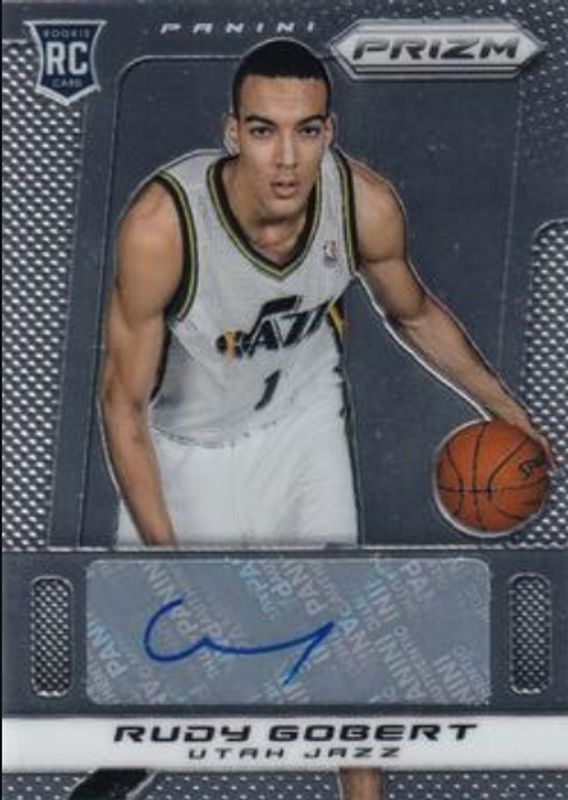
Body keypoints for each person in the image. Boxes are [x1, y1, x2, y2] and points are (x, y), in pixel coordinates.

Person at [76, 38, 548, 800]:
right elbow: (120, 403)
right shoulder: (164, 227)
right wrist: (170, 566)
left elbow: (413, 312)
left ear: (329, 131)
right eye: (264, 130)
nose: (286, 158)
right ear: (233, 132)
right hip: (184, 444)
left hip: (299, 416)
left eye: (306, 130)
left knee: (349, 653)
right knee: (173, 689)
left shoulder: (362, 204)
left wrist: (507, 410)